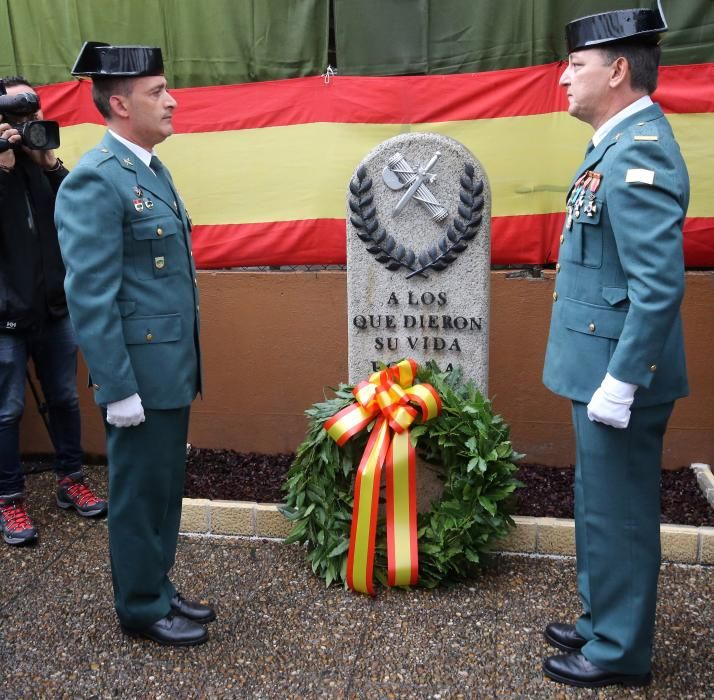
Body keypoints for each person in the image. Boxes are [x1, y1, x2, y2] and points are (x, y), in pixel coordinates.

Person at [542, 3, 689, 689]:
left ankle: (620, 649)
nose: (564, 79)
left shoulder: (641, 155)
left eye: (576, 65)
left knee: (621, 511)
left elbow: (657, 288)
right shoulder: (613, 144)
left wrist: (625, 380)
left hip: (619, 373)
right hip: (598, 366)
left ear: (619, 69)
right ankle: (603, 617)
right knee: (599, 499)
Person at [55, 42, 212, 647]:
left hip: (168, 365)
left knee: (162, 487)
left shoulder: (147, 168)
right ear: (119, 104)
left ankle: (156, 583)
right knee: (138, 492)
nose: (171, 101)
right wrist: (115, 387)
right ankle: (140, 607)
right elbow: (91, 296)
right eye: (156, 93)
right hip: (138, 376)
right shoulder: (96, 180)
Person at [0, 76, 107, 547]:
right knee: (7, 410)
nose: (25, 127)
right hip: (5, 317)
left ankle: (70, 479)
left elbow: (78, 214)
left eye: (31, 116)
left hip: (54, 308)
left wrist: (50, 164)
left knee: (64, 397)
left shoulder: (44, 164)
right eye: (15, 119)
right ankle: (9, 501)